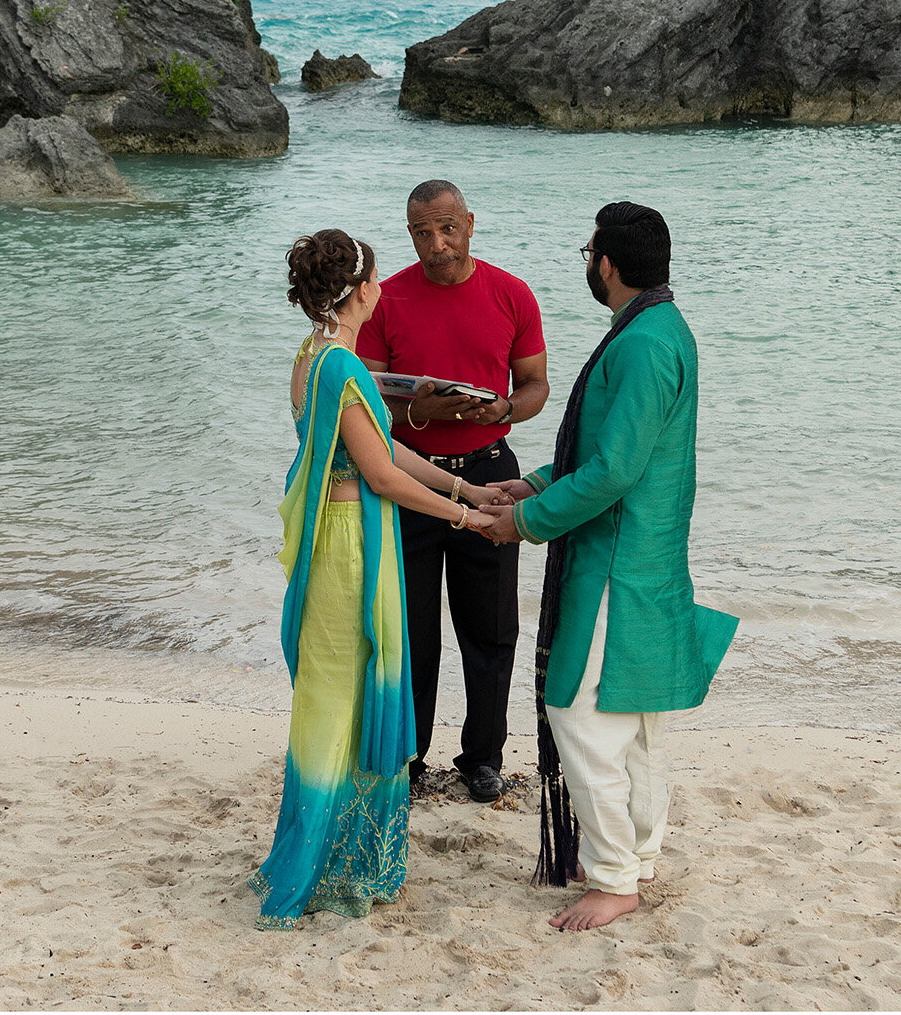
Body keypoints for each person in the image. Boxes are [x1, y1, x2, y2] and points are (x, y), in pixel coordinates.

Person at [483, 201, 737, 933]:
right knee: (636, 721)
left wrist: (525, 523)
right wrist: (532, 482)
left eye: (586, 251)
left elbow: (615, 470)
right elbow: (604, 452)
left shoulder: (644, 344)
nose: (587, 263)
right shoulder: (658, 328)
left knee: (578, 716)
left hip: (619, 563)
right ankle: (640, 856)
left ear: (608, 265)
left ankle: (615, 879)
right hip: (645, 555)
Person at [251, 229, 508, 931]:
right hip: (351, 549)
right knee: (349, 696)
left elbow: (387, 447)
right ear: (363, 288)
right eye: (375, 278)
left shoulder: (312, 356)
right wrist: (464, 516)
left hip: (333, 538)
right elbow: (383, 473)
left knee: (335, 694)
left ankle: (321, 848)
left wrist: (469, 490)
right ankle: (341, 862)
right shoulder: (345, 366)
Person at [357, 180, 551, 804]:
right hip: (409, 477)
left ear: (470, 222)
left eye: (446, 229)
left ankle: (483, 756)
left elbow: (536, 386)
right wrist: (417, 407)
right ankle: (410, 758)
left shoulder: (511, 293)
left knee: (491, 628)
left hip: (490, 471)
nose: (436, 245)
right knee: (410, 627)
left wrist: (502, 410)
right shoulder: (386, 301)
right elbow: (369, 400)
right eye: (420, 234)